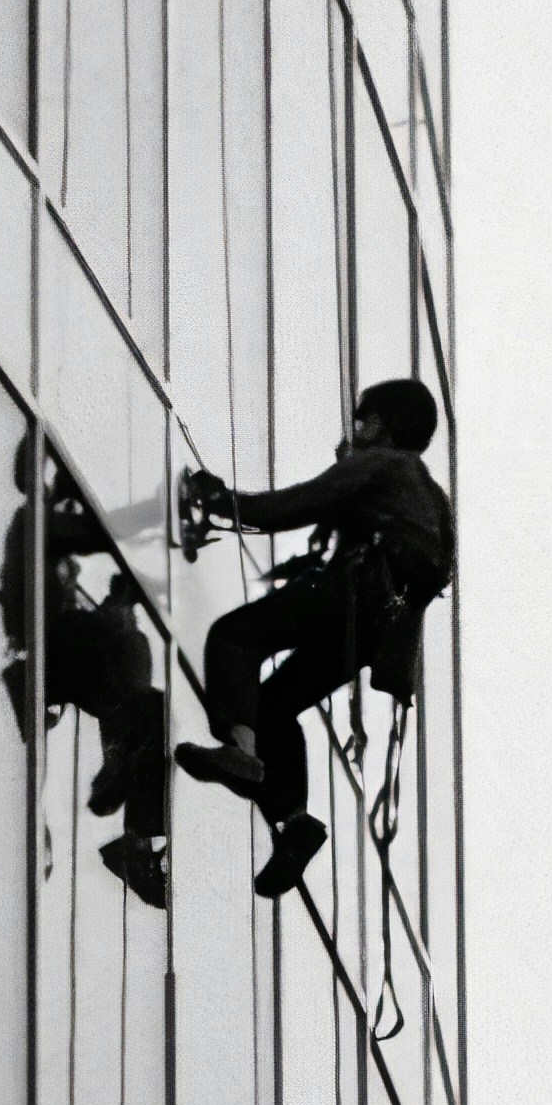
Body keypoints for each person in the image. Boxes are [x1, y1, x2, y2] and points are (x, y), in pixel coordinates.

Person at [174, 379, 455, 899]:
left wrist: (222, 500)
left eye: (363, 420)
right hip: (373, 631)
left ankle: (239, 752)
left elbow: (296, 506)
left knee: (234, 638)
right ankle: (296, 823)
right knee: (276, 706)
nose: (356, 430)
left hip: (351, 594)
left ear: (384, 425)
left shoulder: (388, 465)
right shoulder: (431, 497)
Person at [0, 436, 172, 908]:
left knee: (148, 706)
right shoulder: (33, 521)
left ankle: (136, 840)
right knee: (127, 651)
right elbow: (100, 533)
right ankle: (121, 767)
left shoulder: (42, 529)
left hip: (59, 652)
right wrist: (159, 510)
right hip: (51, 650)